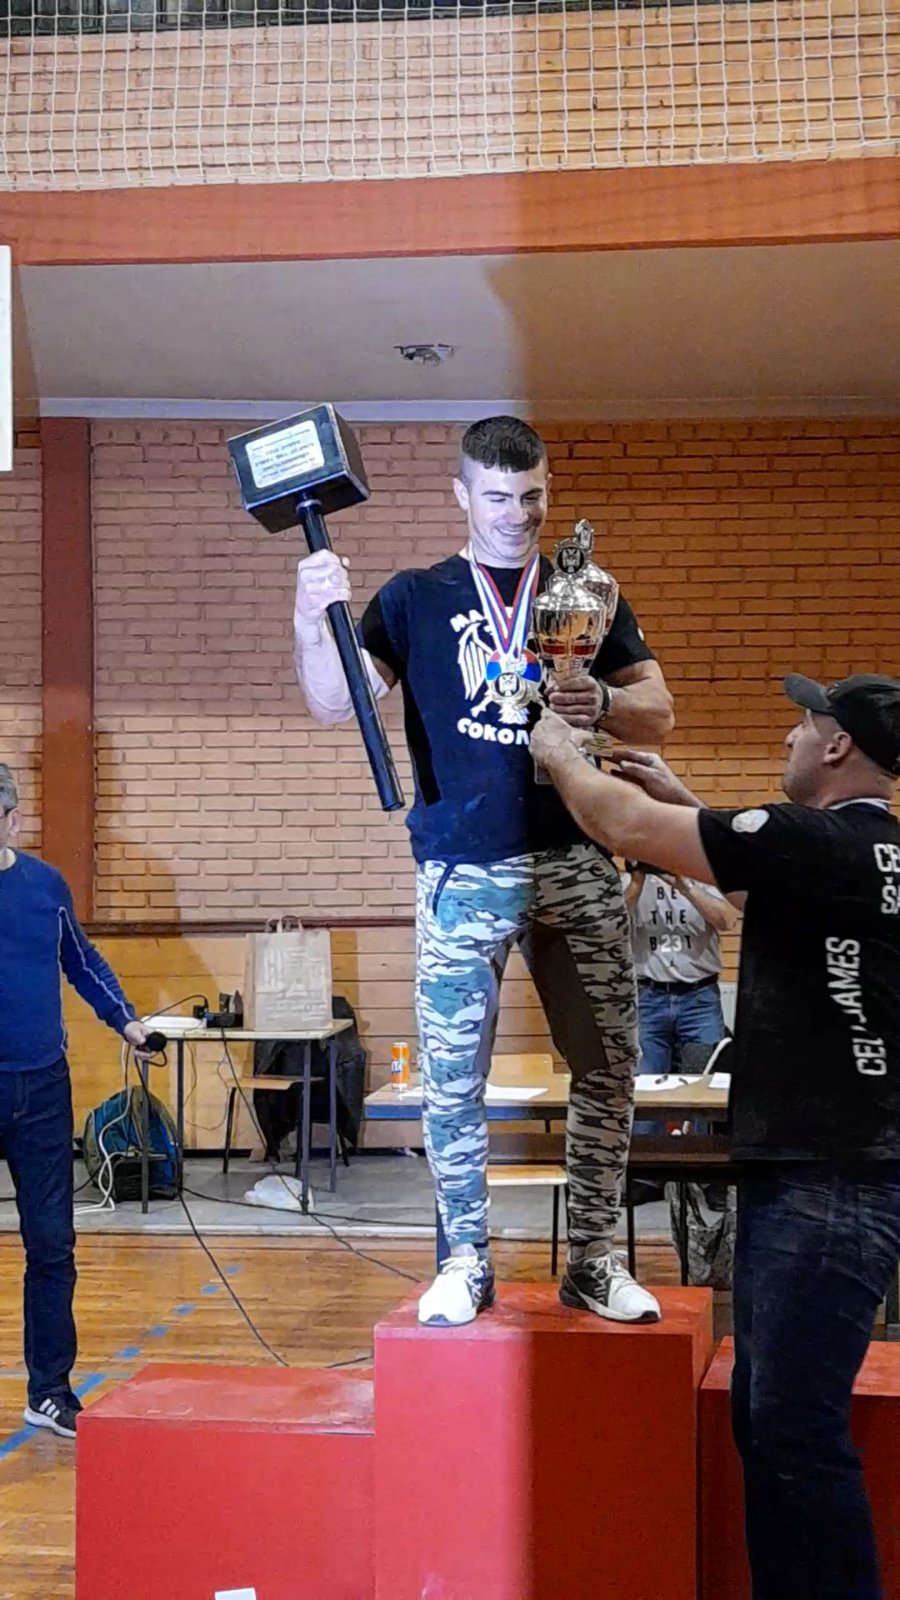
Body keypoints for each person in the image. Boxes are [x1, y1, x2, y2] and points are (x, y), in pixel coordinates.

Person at [294, 415, 674, 1327]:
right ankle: (465, 1258)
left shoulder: (584, 592)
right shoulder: (415, 596)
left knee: (609, 1067)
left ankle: (594, 1260)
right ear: (461, 495)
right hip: (461, 869)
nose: (517, 513)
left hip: (577, 857)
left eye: (532, 495)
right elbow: (332, 701)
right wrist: (311, 614)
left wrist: (602, 697)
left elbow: (658, 712)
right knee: (453, 1079)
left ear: (549, 492)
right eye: (498, 496)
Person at [530, 673, 900, 1600]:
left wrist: (559, 751)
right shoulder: (870, 852)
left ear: (837, 745)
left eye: (801, 725)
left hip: (825, 1182)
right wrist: (684, 796)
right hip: (837, 1172)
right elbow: (756, 876)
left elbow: (621, 826)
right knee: (767, 1416)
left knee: (794, 1430)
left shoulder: (812, 839)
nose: (787, 739)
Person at [0, 764, 150, 1439]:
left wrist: (128, 1022)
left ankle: (50, 1391)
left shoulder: (45, 888)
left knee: (52, 1245)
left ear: (12, 820)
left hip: (40, 1089)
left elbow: (82, 963)